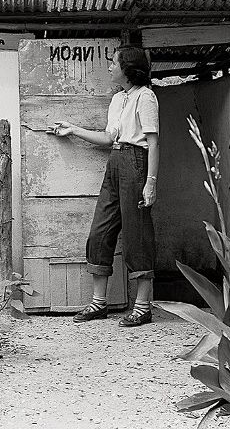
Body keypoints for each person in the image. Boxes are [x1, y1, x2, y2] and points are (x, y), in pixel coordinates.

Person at [48, 46, 159, 327]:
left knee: (137, 233)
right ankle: (99, 304)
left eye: (113, 63)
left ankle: (143, 307)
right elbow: (109, 138)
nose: (110, 67)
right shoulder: (118, 99)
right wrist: (73, 129)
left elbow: (154, 144)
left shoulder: (146, 97)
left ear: (127, 69)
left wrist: (151, 183)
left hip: (136, 161)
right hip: (116, 161)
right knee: (100, 231)